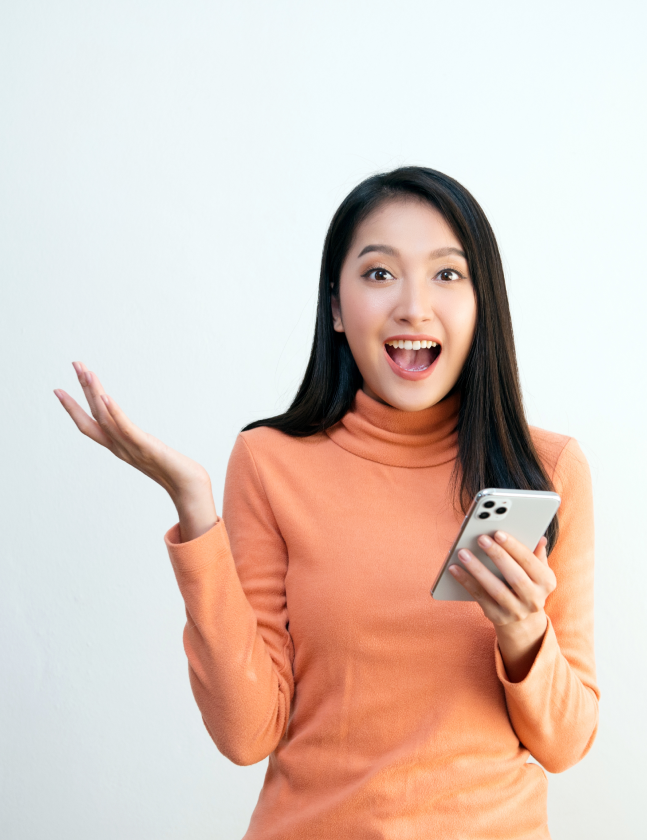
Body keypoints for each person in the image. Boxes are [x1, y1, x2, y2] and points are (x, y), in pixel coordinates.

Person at [54, 166, 599, 839]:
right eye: (378, 274)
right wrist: (195, 515)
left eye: (447, 274)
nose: (413, 307)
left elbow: (567, 744)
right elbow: (247, 733)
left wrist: (523, 636)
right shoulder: (268, 462)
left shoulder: (547, 472)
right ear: (337, 307)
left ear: (483, 302)